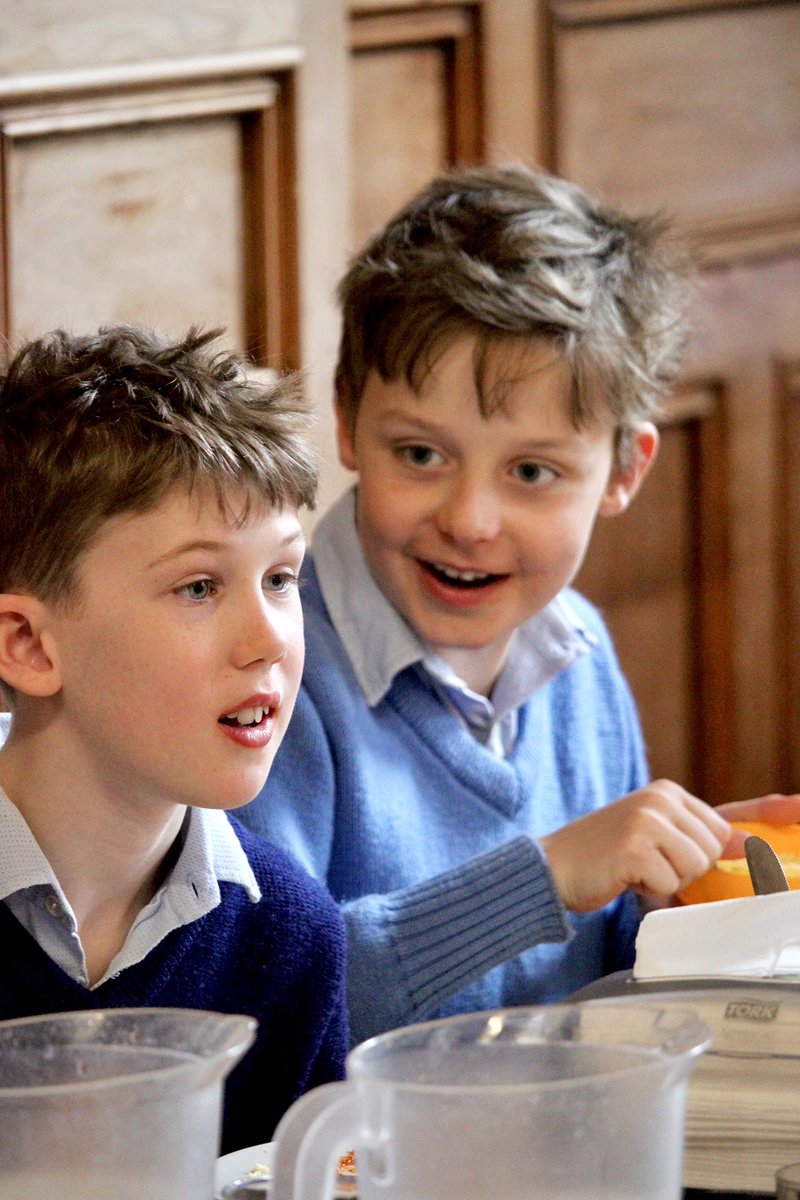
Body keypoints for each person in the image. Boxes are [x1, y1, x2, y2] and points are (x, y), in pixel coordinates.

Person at [239, 165, 800, 1046]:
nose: (469, 520)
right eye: (420, 454)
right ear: (347, 422)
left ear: (624, 471)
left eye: (532, 472)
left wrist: (681, 889)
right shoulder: (266, 673)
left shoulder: (581, 651)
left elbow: (591, 968)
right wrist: (547, 877)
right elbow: (265, 1004)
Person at [0, 325, 348, 1152]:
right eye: (199, 586)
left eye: (280, 579)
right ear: (29, 645)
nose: (268, 640)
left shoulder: (290, 935)